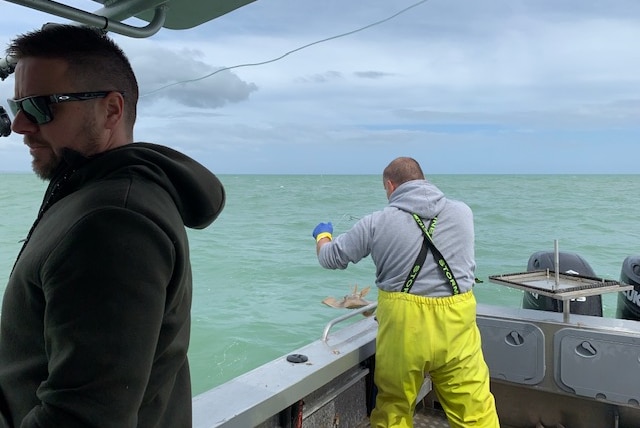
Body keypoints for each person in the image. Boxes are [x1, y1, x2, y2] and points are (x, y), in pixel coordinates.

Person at [0, 24, 225, 427]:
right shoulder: (93, 193)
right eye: (18, 108)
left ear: (111, 110)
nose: (20, 126)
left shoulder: (112, 222)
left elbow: (82, 418)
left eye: (40, 106)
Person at [312, 157, 499, 428]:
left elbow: (330, 258)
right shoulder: (463, 213)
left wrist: (323, 237)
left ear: (390, 186)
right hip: (458, 328)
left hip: (404, 330)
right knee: (476, 412)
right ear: (423, 179)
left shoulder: (376, 222)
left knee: (394, 410)